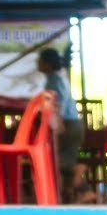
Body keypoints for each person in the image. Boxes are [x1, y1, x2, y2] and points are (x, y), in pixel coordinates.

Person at [37, 47, 95, 204]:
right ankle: (76, 188)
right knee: (61, 161)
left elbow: (59, 100)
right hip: (73, 125)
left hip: (68, 125)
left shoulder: (55, 80)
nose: (37, 63)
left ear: (47, 64)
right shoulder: (56, 78)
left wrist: (58, 120)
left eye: (40, 60)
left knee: (57, 161)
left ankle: (81, 182)